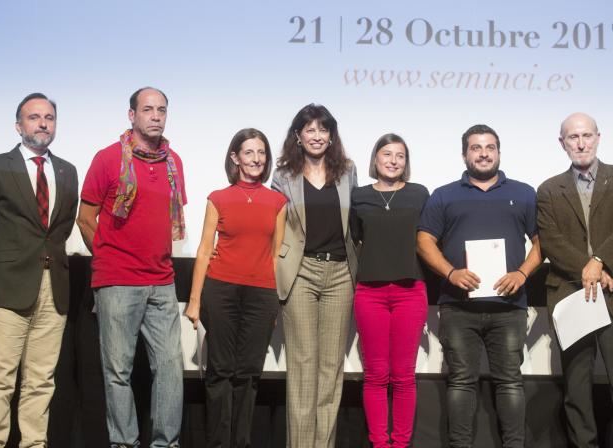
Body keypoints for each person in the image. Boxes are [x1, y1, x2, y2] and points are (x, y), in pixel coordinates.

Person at [0, 92, 79, 447]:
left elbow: (60, 229)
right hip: (7, 287)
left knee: (41, 380)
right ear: (19, 126)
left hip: (53, 287)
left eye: (49, 117)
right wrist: (1, 263)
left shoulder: (67, 171)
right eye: (34, 117)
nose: (43, 123)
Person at [417, 124, 541, 448]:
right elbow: (424, 241)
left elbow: (542, 244)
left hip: (509, 306)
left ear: (499, 152)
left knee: (510, 383)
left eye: (490, 147)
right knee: (460, 382)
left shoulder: (525, 192)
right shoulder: (443, 194)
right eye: (476, 148)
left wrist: (523, 274)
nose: (483, 153)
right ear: (464, 154)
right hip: (458, 307)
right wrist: (450, 272)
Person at [77, 87, 187, 448]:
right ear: (132, 115)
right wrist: (109, 255)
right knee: (118, 373)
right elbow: (85, 216)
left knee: (170, 369)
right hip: (118, 282)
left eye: (162, 110)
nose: (156, 116)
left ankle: (164, 444)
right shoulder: (108, 159)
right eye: (148, 109)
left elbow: (168, 221)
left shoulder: (174, 163)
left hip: (162, 281)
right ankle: (123, 443)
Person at [537, 112, 613, 448]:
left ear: (599, 137)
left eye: (587, 135)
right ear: (562, 143)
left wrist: (601, 262)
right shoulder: (548, 189)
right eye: (573, 137)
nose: (581, 143)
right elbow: (552, 241)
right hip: (573, 297)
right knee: (577, 388)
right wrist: (590, 270)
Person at [183, 128, 286, 447]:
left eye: (261, 153)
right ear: (235, 158)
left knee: (248, 375)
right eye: (249, 152)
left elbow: (276, 255)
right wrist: (195, 301)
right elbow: (203, 250)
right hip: (221, 291)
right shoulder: (218, 198)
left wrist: (274, 303)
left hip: (261, 295)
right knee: (220, 373)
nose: (256, 159)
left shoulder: (278, 202)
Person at [271, 104, 358, 448]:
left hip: (340, 273)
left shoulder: (347, 171)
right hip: (301, 272)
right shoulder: (283, 176)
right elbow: (276, 228)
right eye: (310, 130)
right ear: (298, 135)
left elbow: (356, 224)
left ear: (331, 135)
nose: (317, 136)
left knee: (331, 369)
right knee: (303, 367)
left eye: (323, 130)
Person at [349, 134, 429, 448]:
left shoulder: (419, 194)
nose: (393, 160)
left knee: (403, 375)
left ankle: (400, 444)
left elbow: (428, 239)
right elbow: (356, 238)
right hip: (370, 292)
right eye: (387, 154)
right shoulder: (359, 196)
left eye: (400, 155)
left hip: (410, 291)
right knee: (376, 375)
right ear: (376, 159)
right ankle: (380, 444)